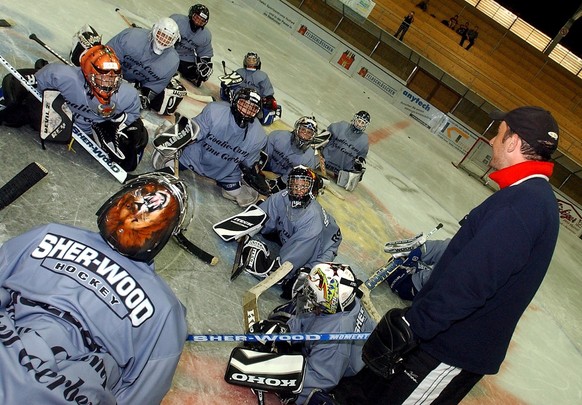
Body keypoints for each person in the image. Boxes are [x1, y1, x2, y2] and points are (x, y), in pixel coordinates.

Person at [331, 106, 561, 404]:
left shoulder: (524, 206)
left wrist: (415, 327)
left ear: (514, 142)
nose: (492, 140)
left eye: (499, 133)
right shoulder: (525, 197)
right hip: (437, 333)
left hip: (450, 349)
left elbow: (473, 282)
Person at [0, 172, 190, 404]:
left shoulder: (49, 233)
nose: (138, 212)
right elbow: (142, 393)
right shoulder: (165, 310)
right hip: (59, 388)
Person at [0, 45, 146, 172]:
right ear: (89, 72)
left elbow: (133, 113)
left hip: (95, 126)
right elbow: (38, 84)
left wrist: (117, 125)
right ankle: (40, 66)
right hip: (62, 113)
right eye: (103, 78)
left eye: (113, 79)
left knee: (129, 158)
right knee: (15, 113)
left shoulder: (128, 95)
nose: (108, 85)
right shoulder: (61, 75)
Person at [247, 263, 376, 404]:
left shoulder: (335, 338)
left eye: (313, 293)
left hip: (344, 372)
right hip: (347, 351)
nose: (309, 295)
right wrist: (286, 330)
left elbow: (322, 378)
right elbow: (316, 318)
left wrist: (289, 387)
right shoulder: (345, 300)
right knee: (290, 314)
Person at [152, 87, 267, 207]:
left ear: (257, 112)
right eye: (243, 104)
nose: (246, 110)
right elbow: (191, 133)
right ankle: (167, 130)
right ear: (234, 102)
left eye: (252, 108)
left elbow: (249, 163)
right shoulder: (215, 111)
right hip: (193, 157)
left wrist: (255, 174)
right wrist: (173, 142)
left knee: (237, 193)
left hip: (224, 170)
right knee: (164, 166)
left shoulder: (259, 136)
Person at [238, 166, 342, 296]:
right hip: (300, 233)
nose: (297, 190)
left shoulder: (313, 221)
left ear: (312, 190)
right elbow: (262, 214)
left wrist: (273, 269)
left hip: (323, 247)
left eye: (303, 186)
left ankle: (308, 268)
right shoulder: (283, 196)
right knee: (270, 230)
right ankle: (289, 238)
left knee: (296, 284)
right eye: (294, 185)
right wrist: (246, 230)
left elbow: (283, 268)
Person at [245, 116, 318, 195]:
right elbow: (260, 156)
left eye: (309, 132)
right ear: (297, 128)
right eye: (303, 129)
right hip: (262, 169)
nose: (304, 134)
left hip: (280, 181)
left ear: (313, 136)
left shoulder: (309, 158)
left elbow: (293, 181)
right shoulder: (277, 136)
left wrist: (277, 182)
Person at [222, 51, 279, 125]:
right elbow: (231, 85)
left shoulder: (263, 76)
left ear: (257, 61)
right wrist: (226, 85)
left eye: (253, 60)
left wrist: (268, 100)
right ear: (245, 60)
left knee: (262, 114)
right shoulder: (239, 71)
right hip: (239, 98)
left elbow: (267, 92)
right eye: (249, 59)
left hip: (253, 101)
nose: (251, 62)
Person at [318, 111, 370, 190]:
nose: (359, 124)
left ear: (365, 125)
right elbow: (325, 136)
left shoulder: (364, 141)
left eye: (362, 123)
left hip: (342, 170)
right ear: (355, 119)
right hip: (323, 160)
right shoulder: (341, 126)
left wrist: (359, 162)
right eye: (359, 121)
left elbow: (361, 157)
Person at [170, 4, 214, 87]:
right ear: (191, 14)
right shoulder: (177, 20)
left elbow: (205, 53)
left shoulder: (205, 35)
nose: (197, 22)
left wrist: (205, 66)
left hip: (184, 56)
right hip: (168, 50)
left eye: (202, 21)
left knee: (195, 73)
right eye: (196, 18)